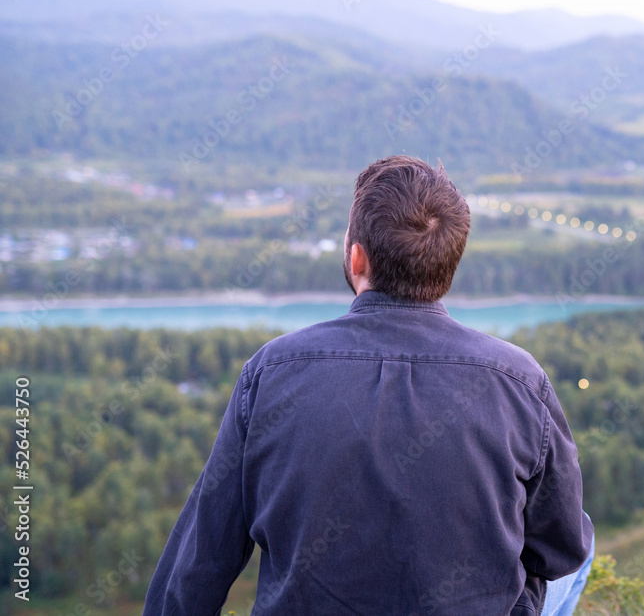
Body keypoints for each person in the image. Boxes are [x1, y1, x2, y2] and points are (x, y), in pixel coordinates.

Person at [143, 155, 595, 615]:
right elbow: (559, 551)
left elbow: (199, 563)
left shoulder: (271, 371)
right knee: (582, 537)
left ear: (356, 257)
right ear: (449, 265)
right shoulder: (518, 381)